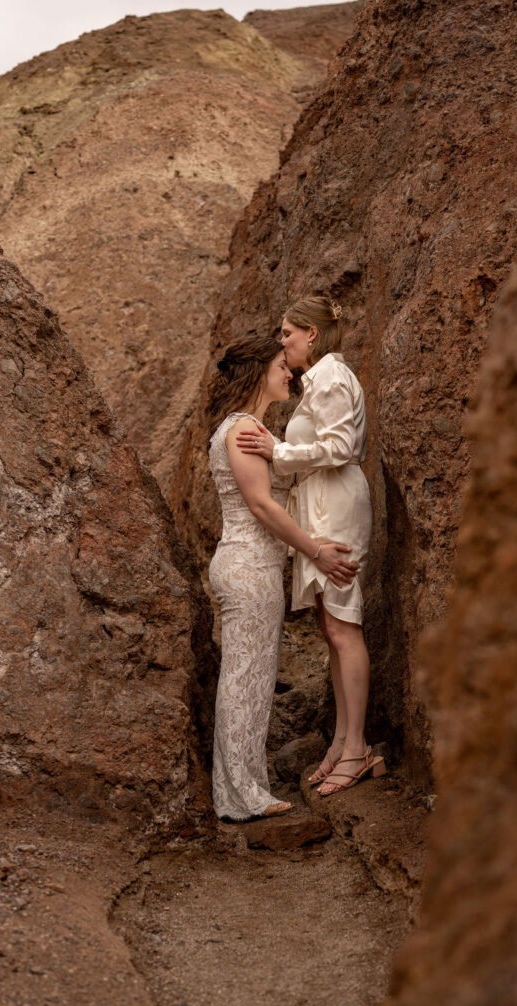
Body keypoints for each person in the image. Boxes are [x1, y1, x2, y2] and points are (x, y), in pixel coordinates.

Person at [236, 298, 385, 796]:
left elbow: (342, 447)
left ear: (312, 335)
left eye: (287, 333)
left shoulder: (334, 379)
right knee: (331, 626)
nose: (283, 342)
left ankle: (358, 748)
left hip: (337, 506)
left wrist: (278, 451)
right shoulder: (319, 380)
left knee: (345, 626)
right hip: (320, 503)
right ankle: (344, 742)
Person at [207, 335, 358, 821]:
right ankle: (241, 795)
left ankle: (240, 791)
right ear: (258, 374)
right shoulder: (244, 429)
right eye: (280, 366)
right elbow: (261, 506)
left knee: (250, 676)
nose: (288, 373)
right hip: (248, 565)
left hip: (253, 563)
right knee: (244, 677)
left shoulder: (247, 429)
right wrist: (316, 550)